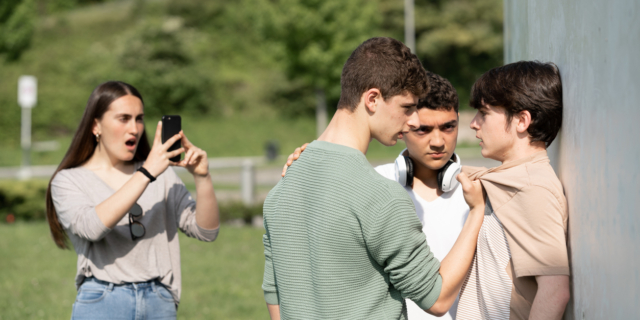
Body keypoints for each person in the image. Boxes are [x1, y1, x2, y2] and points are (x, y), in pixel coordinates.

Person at [262, 37, 486, 320]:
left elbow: (275, 295)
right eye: (407, 108)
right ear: (372, 99)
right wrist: (477, 210)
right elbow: (438, 298)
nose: (411, 122)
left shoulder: (284, 185)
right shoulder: (381, 196)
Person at [45, 81, 220, 319]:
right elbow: (92, 227)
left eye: (139, 118)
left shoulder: (162, 175)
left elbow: (206, 232)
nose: (135, 129)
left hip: (159, 302)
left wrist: (203, 177)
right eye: (123, 118)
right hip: (102, 301)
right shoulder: (69, 181)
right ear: (96, 125)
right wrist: (147, 173)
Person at [456, 61, 570, 320]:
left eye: (484, 113)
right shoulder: (511, 179)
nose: (474, 123)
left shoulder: (532, 188)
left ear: (521, 120)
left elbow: (555, 290)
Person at [374, 72, 469, 320]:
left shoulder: (479, 190)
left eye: (448, 127)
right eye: (423, 130)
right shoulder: (375, 183)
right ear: (403, 128)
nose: (438, 141)